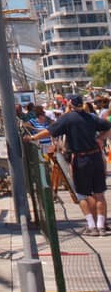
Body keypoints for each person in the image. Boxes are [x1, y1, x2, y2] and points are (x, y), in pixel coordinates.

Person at [43, 95, 109, 233]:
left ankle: (92, 226)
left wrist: (31, 137)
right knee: (99, 193)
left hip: (80, 159)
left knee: (82, 194)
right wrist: (101, 138)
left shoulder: (68, 118)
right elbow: (108, 125)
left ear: (69, 104)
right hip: (96, 156)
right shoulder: (90, 117)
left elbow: (49, 131)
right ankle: (101, 225)